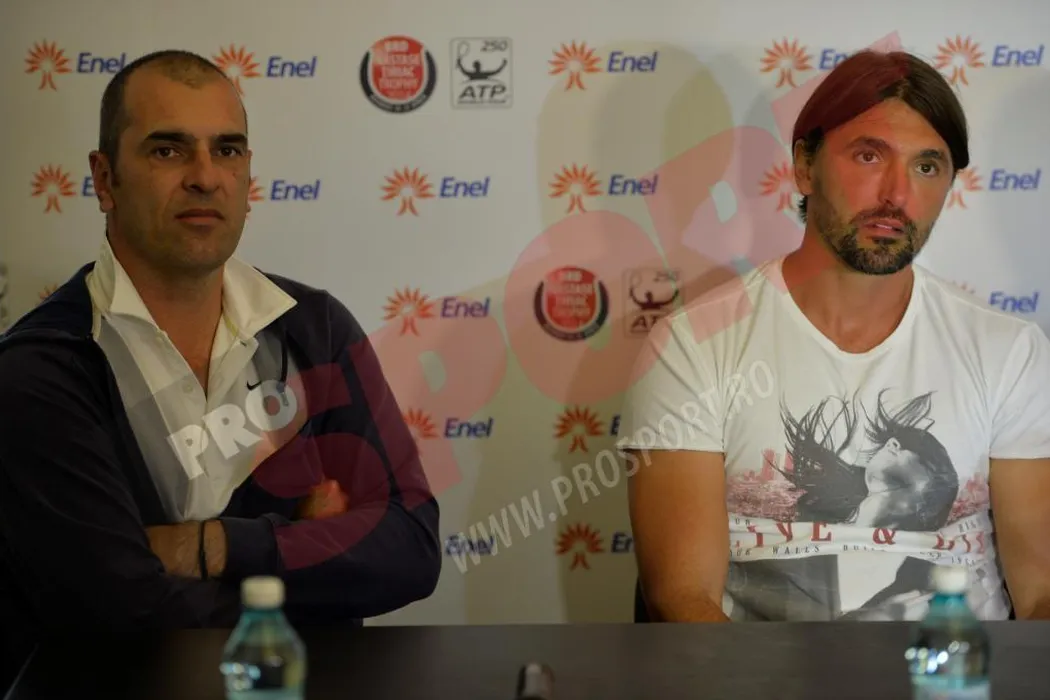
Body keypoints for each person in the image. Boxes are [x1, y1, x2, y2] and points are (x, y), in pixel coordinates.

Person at [0, 50, 441, 683]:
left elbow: (411, 548)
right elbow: (120, 613)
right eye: (168, 150)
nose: (206, 177)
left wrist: (212, 545)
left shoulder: (315, 327)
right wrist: (313, 560)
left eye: (227, 150)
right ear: (104, 178)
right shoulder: (41, 369)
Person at [618, 49, 1050, 623]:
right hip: (755, 670)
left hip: (956, 666)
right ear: (804, 166)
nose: (897, 194)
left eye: (927, 167)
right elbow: (681, 597)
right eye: (869, 156)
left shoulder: (1008, 349)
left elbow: (1040, 593)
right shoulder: (693, 344)